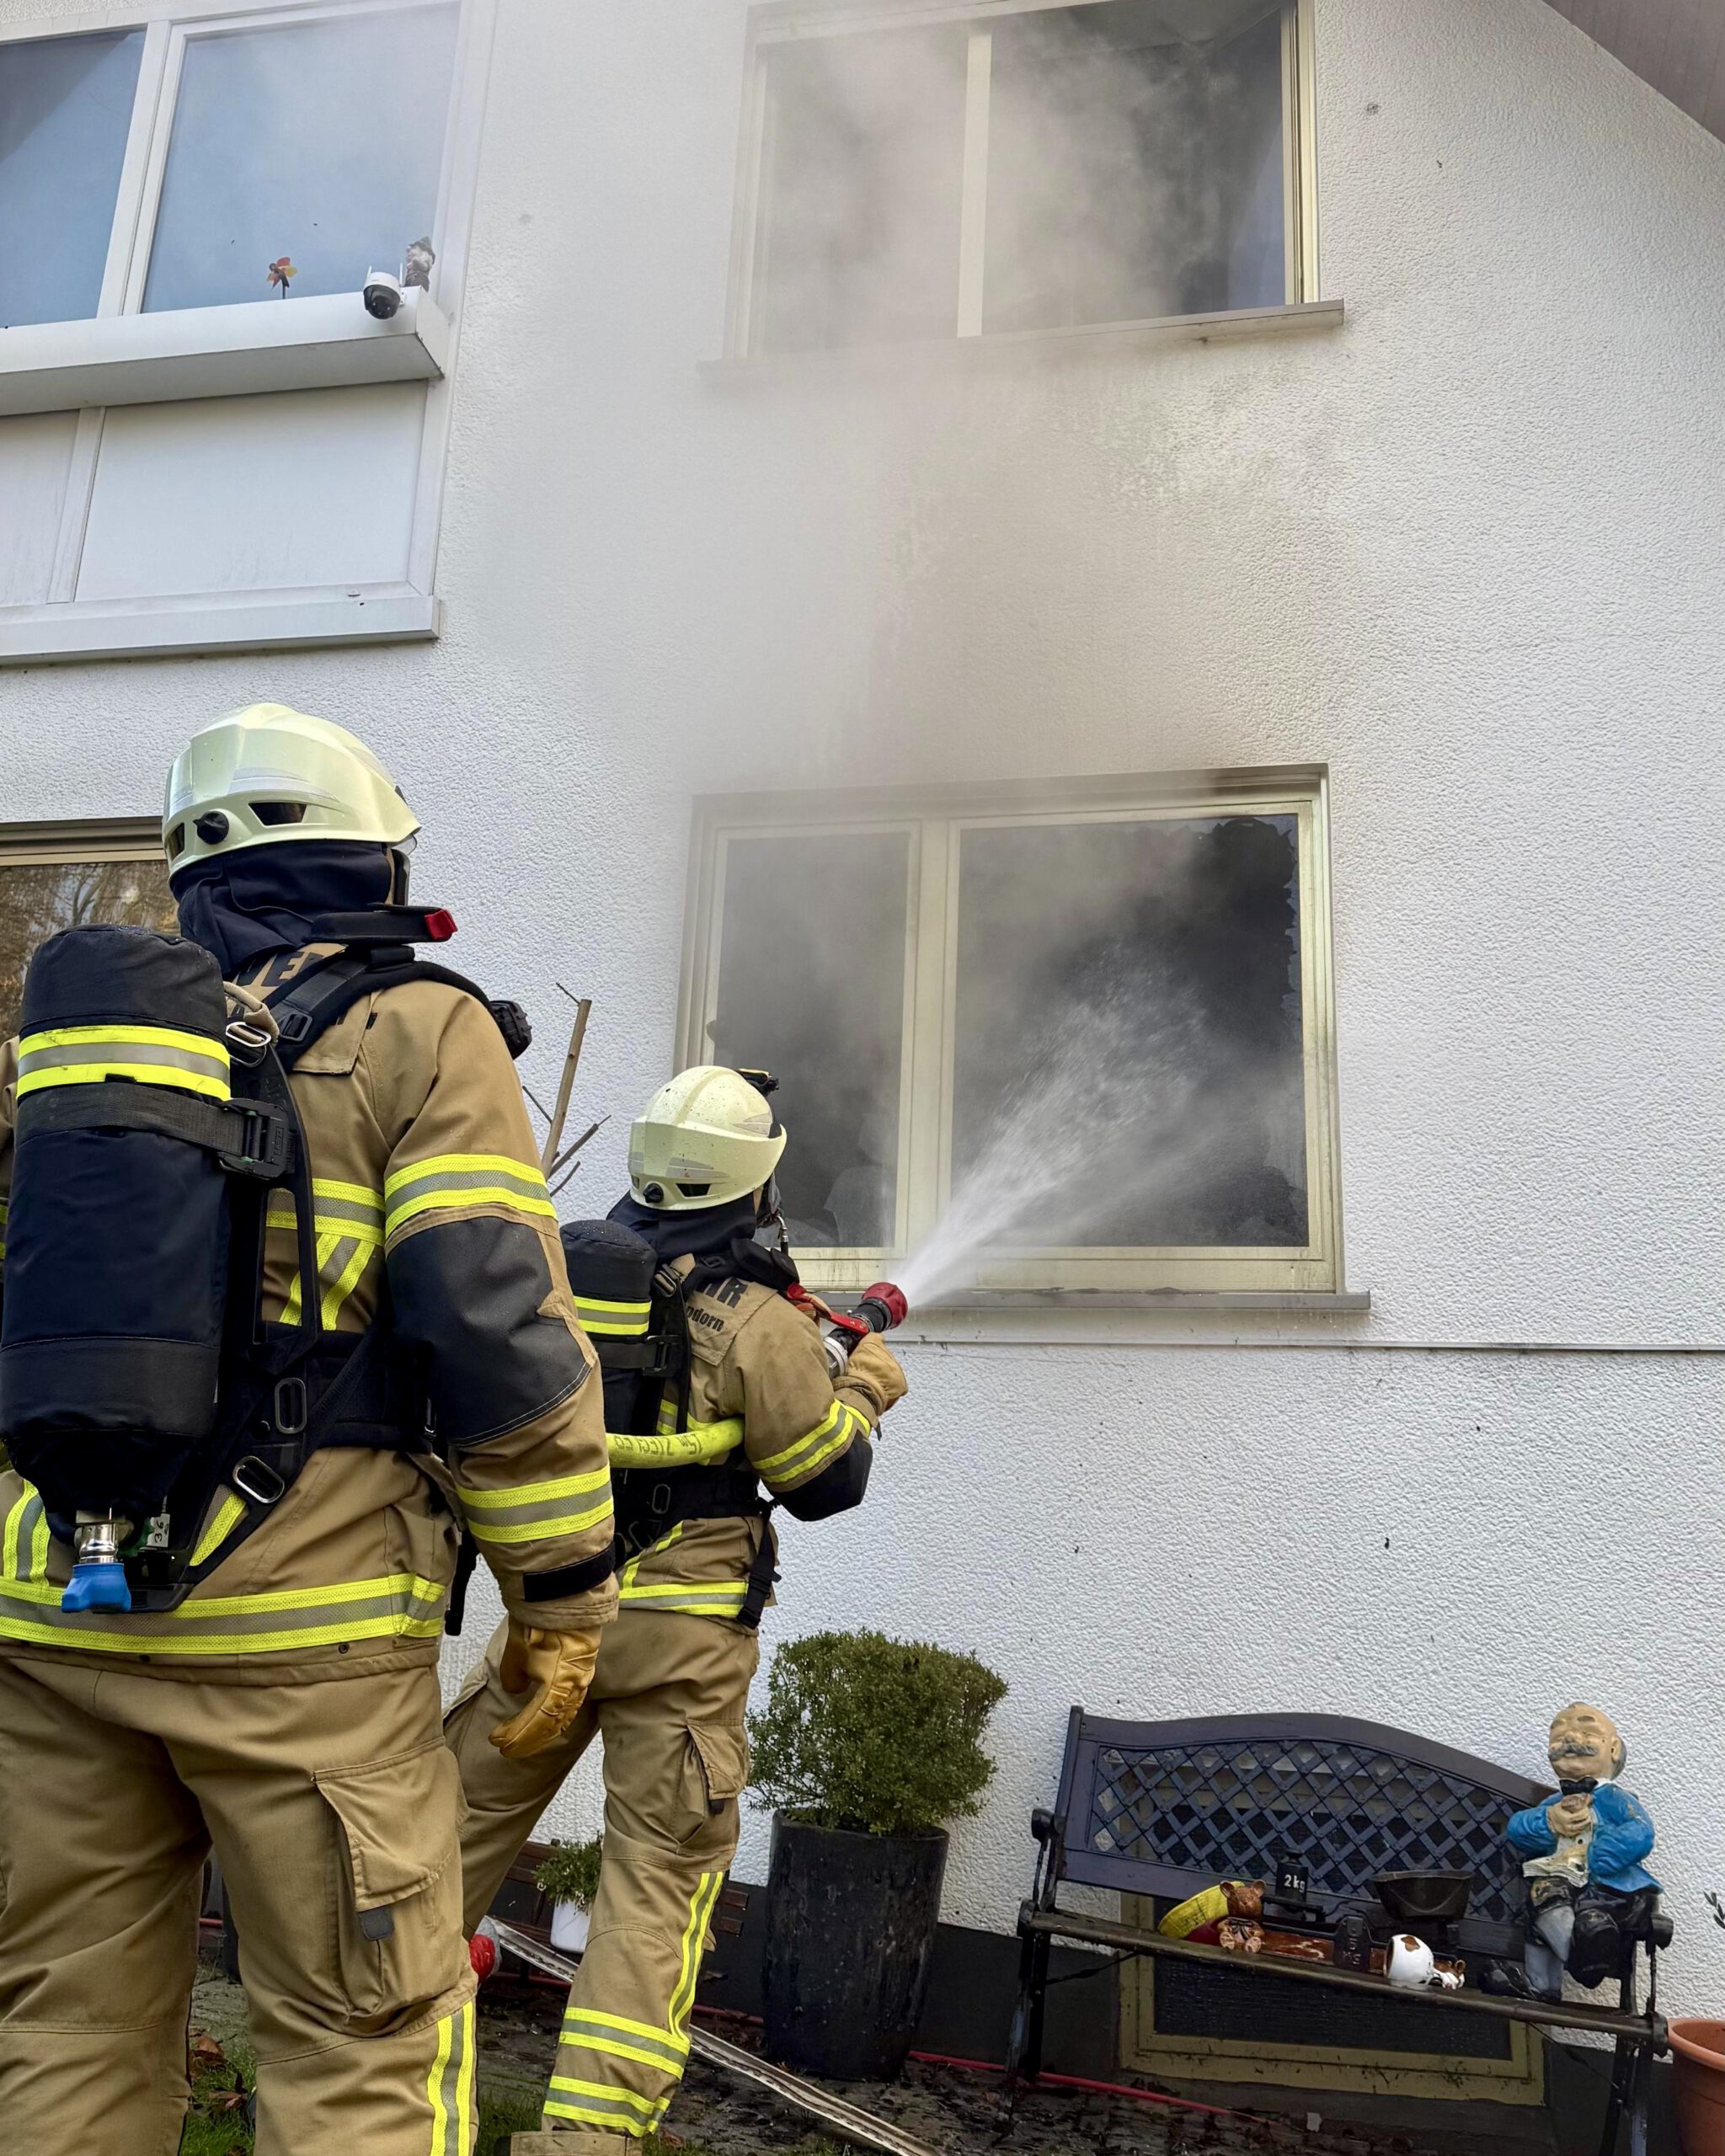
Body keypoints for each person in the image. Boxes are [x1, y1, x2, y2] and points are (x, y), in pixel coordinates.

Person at [0, 702, 616, 2156]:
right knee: (360, 2045)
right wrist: (562, 1598)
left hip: (52, 1625)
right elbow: (494, 1320)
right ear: (372, 855)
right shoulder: (419, 1025)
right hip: (298, 1648)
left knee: (63, 2031)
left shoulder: (84, 1058)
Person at [446, 1065, 907, 2153]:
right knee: (652, 1893)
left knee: (438, 1846)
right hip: (683, 1652)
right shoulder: (757, 1321)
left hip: (552, 1619)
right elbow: (822, 1481)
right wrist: (865, 1387)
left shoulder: (560, 1275)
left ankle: (369, 2102)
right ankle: (588, 2142)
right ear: (756, 1185)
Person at [1492, 1702, 1660, 1999]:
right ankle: (1549, 1981)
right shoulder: (1555, 1802)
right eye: (1559, 1734)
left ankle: (1584, 1956)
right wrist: (1549, 1820)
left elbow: (1640, 1833)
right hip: (1559, 1888)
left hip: (1609, 1891)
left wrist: (1591, 1859)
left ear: (1614, 1749)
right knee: (1542, 1906)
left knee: (1579, 1915)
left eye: (1588, 1731)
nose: (1571, 1739)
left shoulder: (1616, 1799)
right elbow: (1518, 1828)